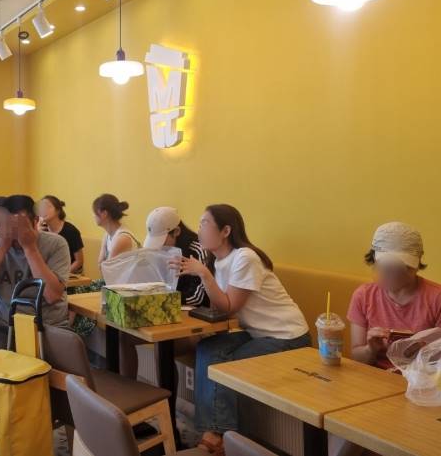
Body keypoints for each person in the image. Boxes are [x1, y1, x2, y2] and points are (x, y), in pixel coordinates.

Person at [172, 204, 310, 455]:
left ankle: (219, 437)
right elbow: (220, 310)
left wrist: (204, 275)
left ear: (226, 231)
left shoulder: (245, 258)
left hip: (288, 336)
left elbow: (229, 308)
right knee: (208, 347)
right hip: (257, 333)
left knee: (225, 366)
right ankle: (216, 433)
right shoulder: (218, 261)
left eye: (205, 224)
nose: (199, 229)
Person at [348, 221, 441, 369]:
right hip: (376, 376)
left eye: (403, 268)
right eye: (388, 268)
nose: (395, 275)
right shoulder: (363, 296)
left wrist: (426, 352)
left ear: (417, 264)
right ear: (374, 260)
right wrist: (371, 349)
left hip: (425, 377)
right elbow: (357, 359)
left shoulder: (440, 298)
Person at [0, 194, 70, 351]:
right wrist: (2, 247)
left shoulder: (56, 244)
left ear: (35, 222)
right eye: (8, 225)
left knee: (70, 359)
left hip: (50, 327)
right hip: (7, 329)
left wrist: (30, 248)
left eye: (21, 224)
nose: (14, 231)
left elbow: (53, 295)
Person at [117, 206, 214, 380]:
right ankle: (127, 388)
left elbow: (199, 297)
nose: (159, 246)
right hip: (169, 315)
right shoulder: (162, 251)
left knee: (162, 343)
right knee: (125, 337)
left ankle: (166, 396)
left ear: (176, 232)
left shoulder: (198, 251)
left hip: (197, 322)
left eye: (162, 240)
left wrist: (165, 301)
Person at [38, 195, 85, 274]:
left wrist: (62, 274)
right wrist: (37, 233)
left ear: (58, 211)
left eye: (47, 207)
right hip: (49, 274)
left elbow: (79, 261)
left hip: (71, 275)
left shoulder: (71, 231)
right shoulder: (41, 230)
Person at [93, 193, 140, 263]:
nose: (93, 216)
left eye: (95, 212)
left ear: (105, 214)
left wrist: (102, 264)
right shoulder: (107, 235)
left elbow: (107, 267)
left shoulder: (122, 238)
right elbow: (100, 263)